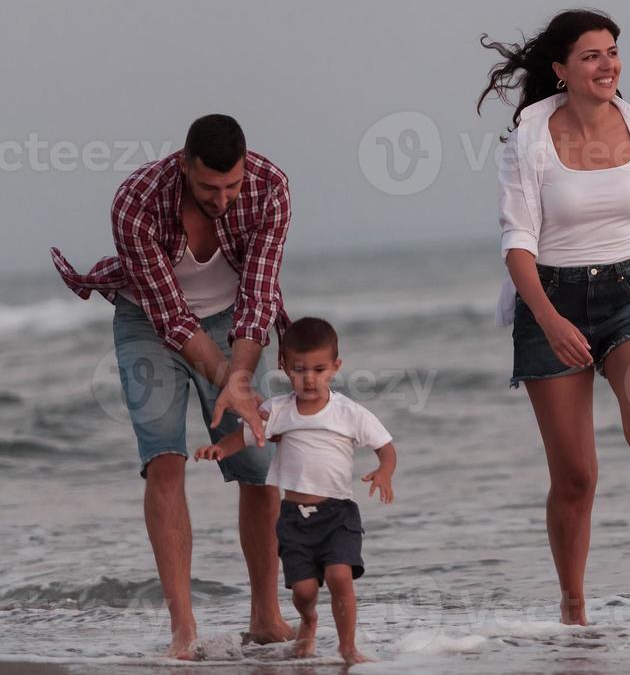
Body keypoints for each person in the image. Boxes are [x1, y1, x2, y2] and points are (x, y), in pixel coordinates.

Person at [477, 8, 630, 638]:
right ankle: (573, 606)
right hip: (549, 295)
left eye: (612, 52)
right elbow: (518, 241)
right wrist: (549, 317)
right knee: (577, 475)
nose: (607, 63)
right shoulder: (528, 139)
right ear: (561, 70)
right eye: (590, 55)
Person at [49, 114, 294, 659]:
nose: (222, 198)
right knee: (164, 459)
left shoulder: (269, 187)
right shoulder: (136, 200)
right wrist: (228, 382)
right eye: (209, 187)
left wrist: (241, 383)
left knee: (257, 464)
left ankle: (266, 617)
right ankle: (184, 630)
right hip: (148, 324)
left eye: (231, 186)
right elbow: (171, 318)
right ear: (184, 166)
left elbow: (259, 296)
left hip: (232, 322)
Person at [195, 316, 396, 664]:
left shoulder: (349, 413)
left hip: (338, 513)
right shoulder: (278, 410)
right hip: (293, 519)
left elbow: (385, 445)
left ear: (336, 367)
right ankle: (308, 621)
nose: (309, 378)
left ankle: (348, 647)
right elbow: (244, 436)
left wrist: (384, 472)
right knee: (303, 591)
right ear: (284, 367)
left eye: (319, 369)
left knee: (339, 575)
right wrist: (220, 450)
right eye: (300, 370)